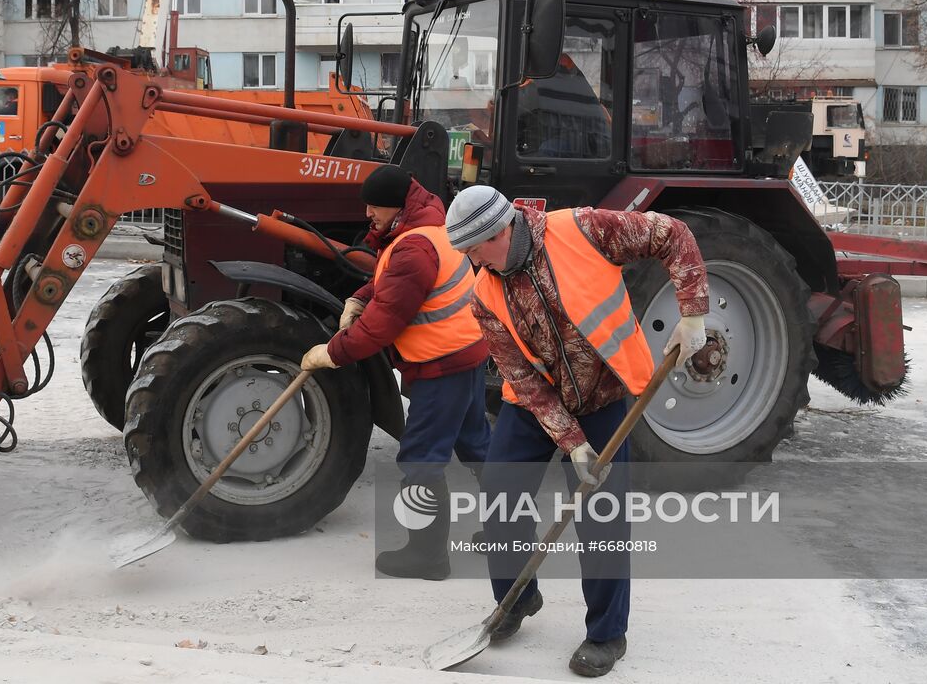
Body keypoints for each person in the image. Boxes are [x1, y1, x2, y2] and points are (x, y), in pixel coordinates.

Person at [444, 185, 709, 678]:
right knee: (500, 497)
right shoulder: (484, 293)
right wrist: (572, 443)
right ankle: (516, 601)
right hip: (533, 405)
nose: (471, 261)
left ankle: (607, 634)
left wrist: (692, 313)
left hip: (604, 397)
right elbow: (519, 376)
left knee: (601, 518)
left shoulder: (583, 230)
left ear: (501, 230)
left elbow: (673, 234)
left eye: (474, 248)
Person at [301, 165, 491, 580]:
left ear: (398, 206)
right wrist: (358, 296)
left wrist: (332, 354)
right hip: (468, 353)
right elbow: (395, 280)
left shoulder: (412, 248)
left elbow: (383, 324)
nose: (368, 213)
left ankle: (427, 557)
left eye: (375, 206)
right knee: (478, 447)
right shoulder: (432, 227)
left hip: (441, 365)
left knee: (422, 460)